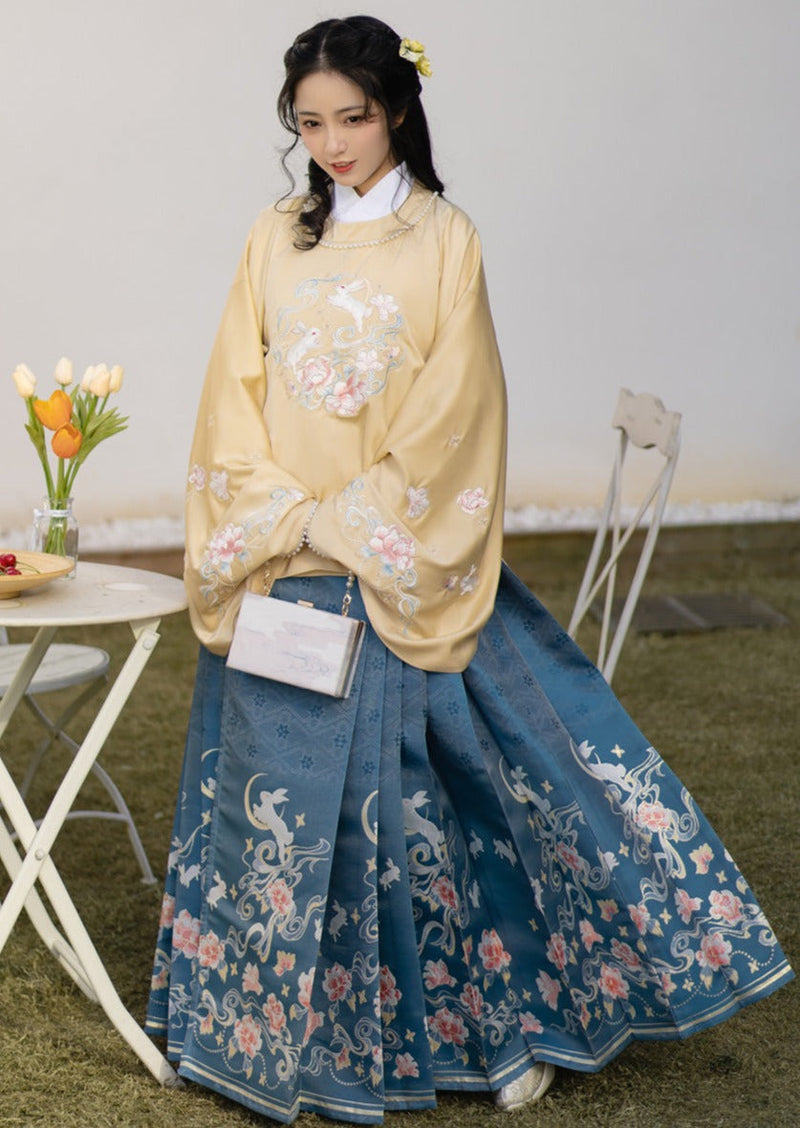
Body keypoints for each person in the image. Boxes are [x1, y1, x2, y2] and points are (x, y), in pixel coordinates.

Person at [145, 15, 792, 1124]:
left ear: (397, 110)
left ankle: (484, 1030)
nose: (332, 144)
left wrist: (345, 527)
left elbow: (457, 416)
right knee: (271, 810)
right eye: (310, 123)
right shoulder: (272, 237)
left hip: (388, 557)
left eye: (353, 118)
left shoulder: (446, 241)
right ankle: (250, 1029)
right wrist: (284, 522)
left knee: (433, 807)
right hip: (283, 558)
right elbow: (229, 405)